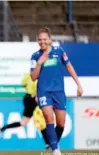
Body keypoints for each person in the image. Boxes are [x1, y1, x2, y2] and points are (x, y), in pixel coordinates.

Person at [30, 27, 83, 155]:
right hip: (44, 92)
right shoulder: (35, 56)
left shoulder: (59, 51)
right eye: (39, 40)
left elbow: (69, 66)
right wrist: (39, 64)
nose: (42, 42)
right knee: (48, 118)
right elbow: (33, 77)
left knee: (61, 123)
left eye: (44, 39)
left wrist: (78, 85)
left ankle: (52, 144)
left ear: (50, 39)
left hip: (58, 91)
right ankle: (55, 150)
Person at [0, 73, 49, 149]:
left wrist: (28, 89)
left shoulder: (28, 74)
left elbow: (23, 82)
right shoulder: (38, 77)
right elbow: (38, 89)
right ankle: (48, 144)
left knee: (23, 122)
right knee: (41, 122)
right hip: (34, 100)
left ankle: (2, 129)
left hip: (27, 98)